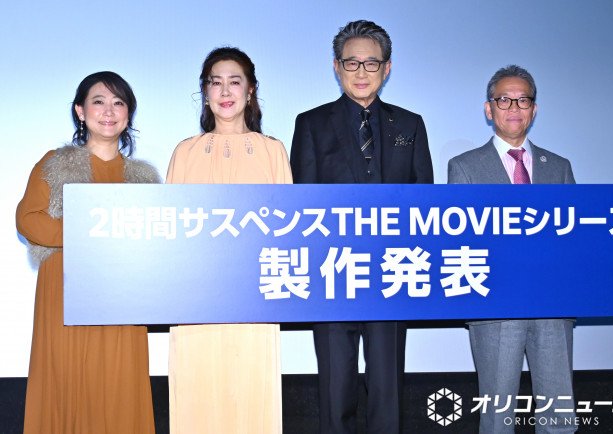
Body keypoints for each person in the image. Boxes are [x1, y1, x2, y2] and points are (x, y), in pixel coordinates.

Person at [290, 20, 433, 434]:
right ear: (337, 66)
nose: (361, 72)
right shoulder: (311, 124)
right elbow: (302, 204)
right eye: (351, 62)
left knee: (387, 390)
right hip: (332, 273)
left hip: (393, 273)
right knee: (335, 390)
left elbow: (424, 201)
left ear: (387, 68)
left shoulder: (409, 125)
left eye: (371, 62)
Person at [16, 71, 158, 434]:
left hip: (124, 298)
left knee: (119, 386)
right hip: (65, 296)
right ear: (80, 111)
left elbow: (157, 242)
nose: (108, 111)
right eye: (98, 101)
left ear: (128, 113)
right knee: (66, 385)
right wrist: (93, 230)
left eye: (118, 102)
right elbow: (28, 220)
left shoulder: (144, 180)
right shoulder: (55, 163)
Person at [166, 47, 292, 434]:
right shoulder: (185, 152)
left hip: (256, 297)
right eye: (215, 82)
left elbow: (287, 230)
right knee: (196, 395)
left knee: (252, 397)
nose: (225, 91)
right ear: (204, 92)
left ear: (250, 90)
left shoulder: (273, 150)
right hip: (195, 298)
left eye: (235, 81)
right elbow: (170, 232)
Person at [448, 65, 577, 433]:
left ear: (534, 110)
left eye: (523, 100)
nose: (514, 107)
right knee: (498, 416)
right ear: (489, 109)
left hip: (552, 306)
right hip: (496, 306)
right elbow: (461, 240)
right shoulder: (464, 167)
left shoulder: (560, 167)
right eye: (504, 100)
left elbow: (573, 239)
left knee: (559, 415)